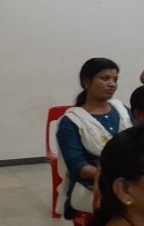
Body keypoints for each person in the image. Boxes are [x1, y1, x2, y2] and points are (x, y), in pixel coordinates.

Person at [56, 57, 132, 215]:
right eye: (105, 78)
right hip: (91, 185)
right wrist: (114, 176)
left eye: (115, 79)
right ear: (86, 82)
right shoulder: (72, 121)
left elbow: (140, 141)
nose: (112, 84)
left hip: (129, 179)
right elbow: (78, 166)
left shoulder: (122, 110)